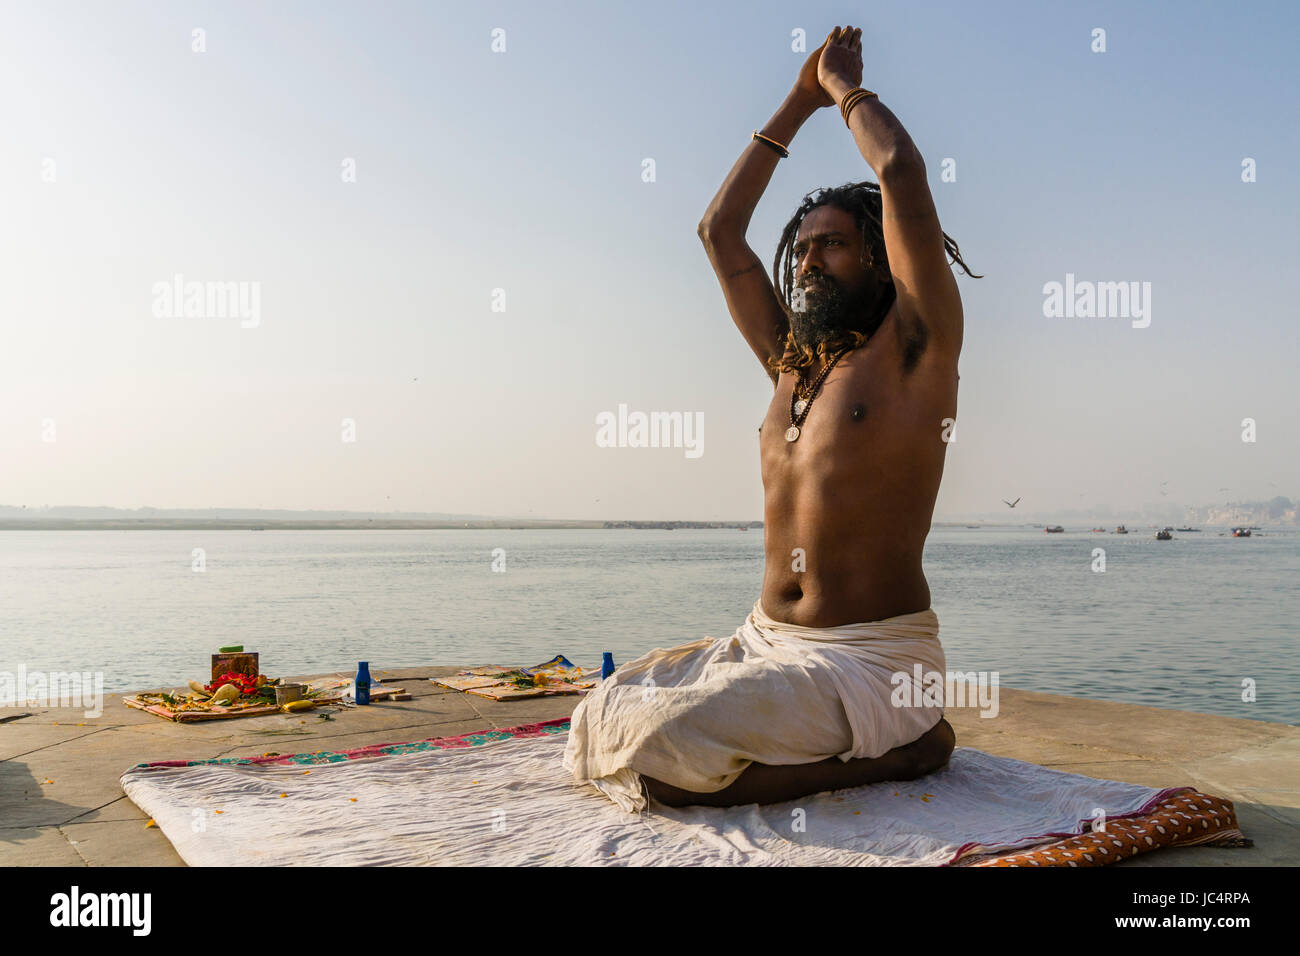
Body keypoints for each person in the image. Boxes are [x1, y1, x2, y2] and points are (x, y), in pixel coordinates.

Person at [563, 25, 980, 811]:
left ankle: (912, 747)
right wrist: (793, 101)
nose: (810, 262)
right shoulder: (791, 363)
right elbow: (719, 233)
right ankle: (857, 742)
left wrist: (842, 91)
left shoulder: (914, 355)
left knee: (658, 756)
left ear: (880, 259)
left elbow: (899, 171)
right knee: (597, 714)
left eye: (834, 247)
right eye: (804, 250)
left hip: (869, 662)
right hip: (764, 640)